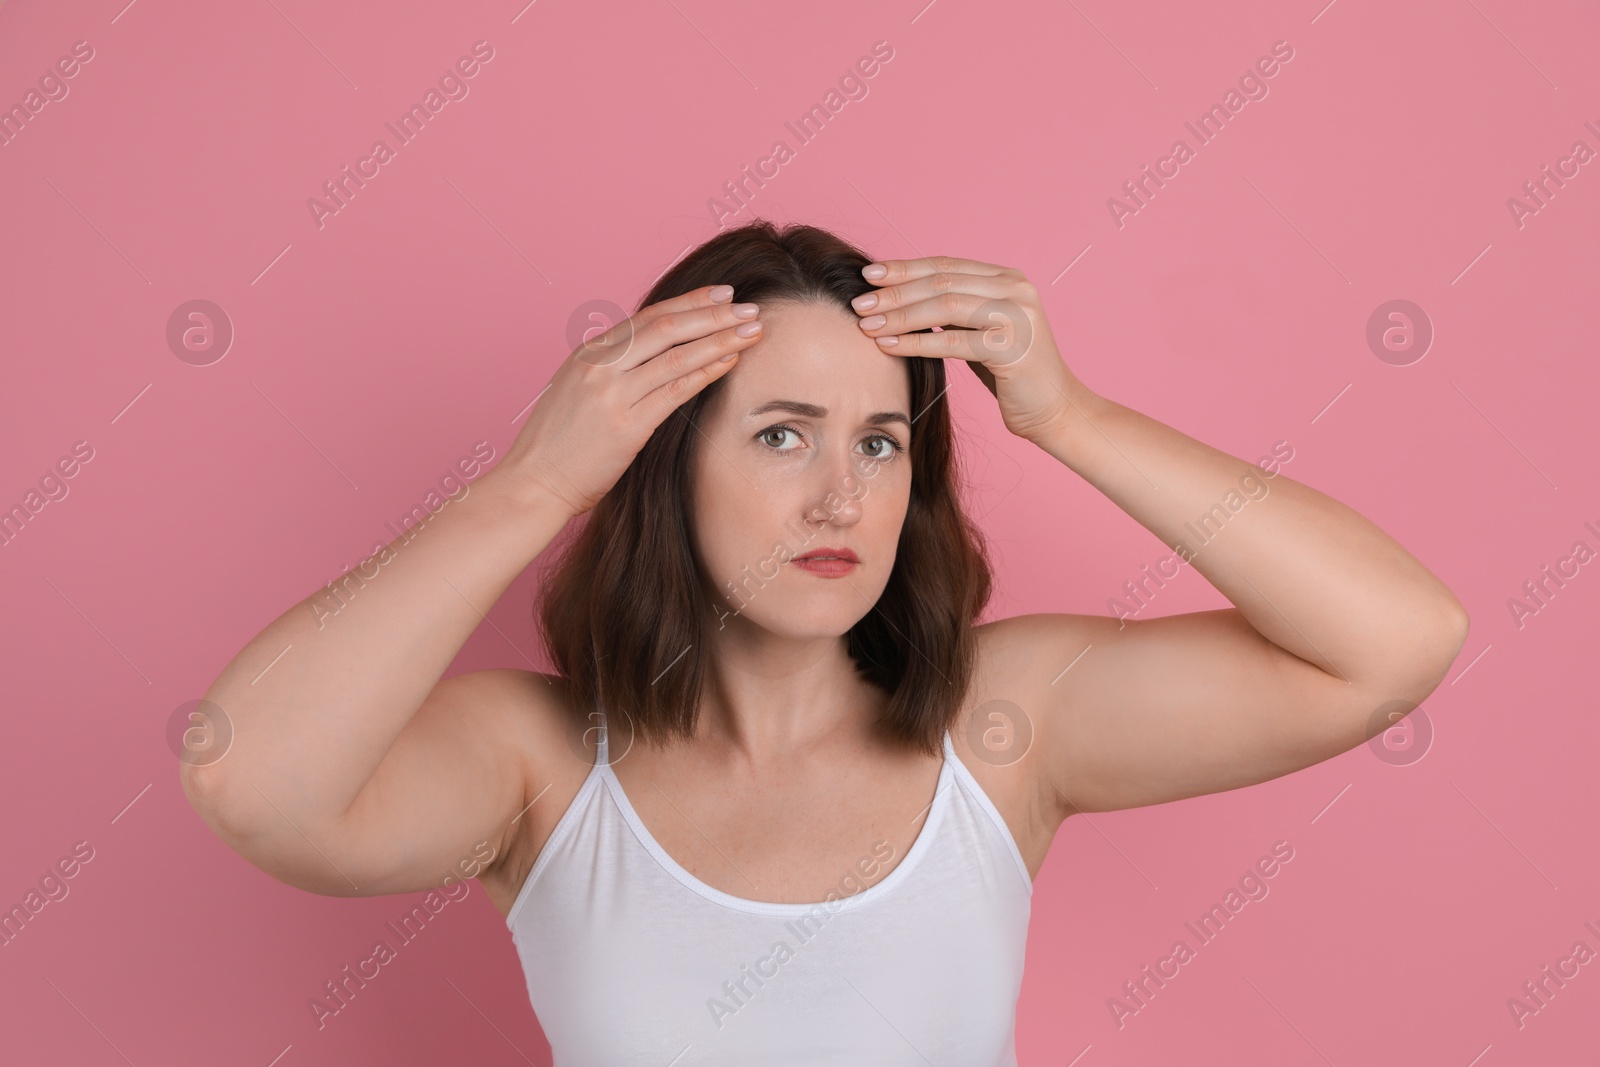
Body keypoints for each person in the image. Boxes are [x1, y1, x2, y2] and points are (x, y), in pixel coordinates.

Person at [180, 220, 1469, 1063]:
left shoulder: (1005, 727)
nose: (841, 499)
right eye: (782, 434)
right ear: (663, 463)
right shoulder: (540, 762)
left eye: (879, 441)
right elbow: (252, 777)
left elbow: (1396, 641)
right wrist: (528, 489)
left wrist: (1070, 418)